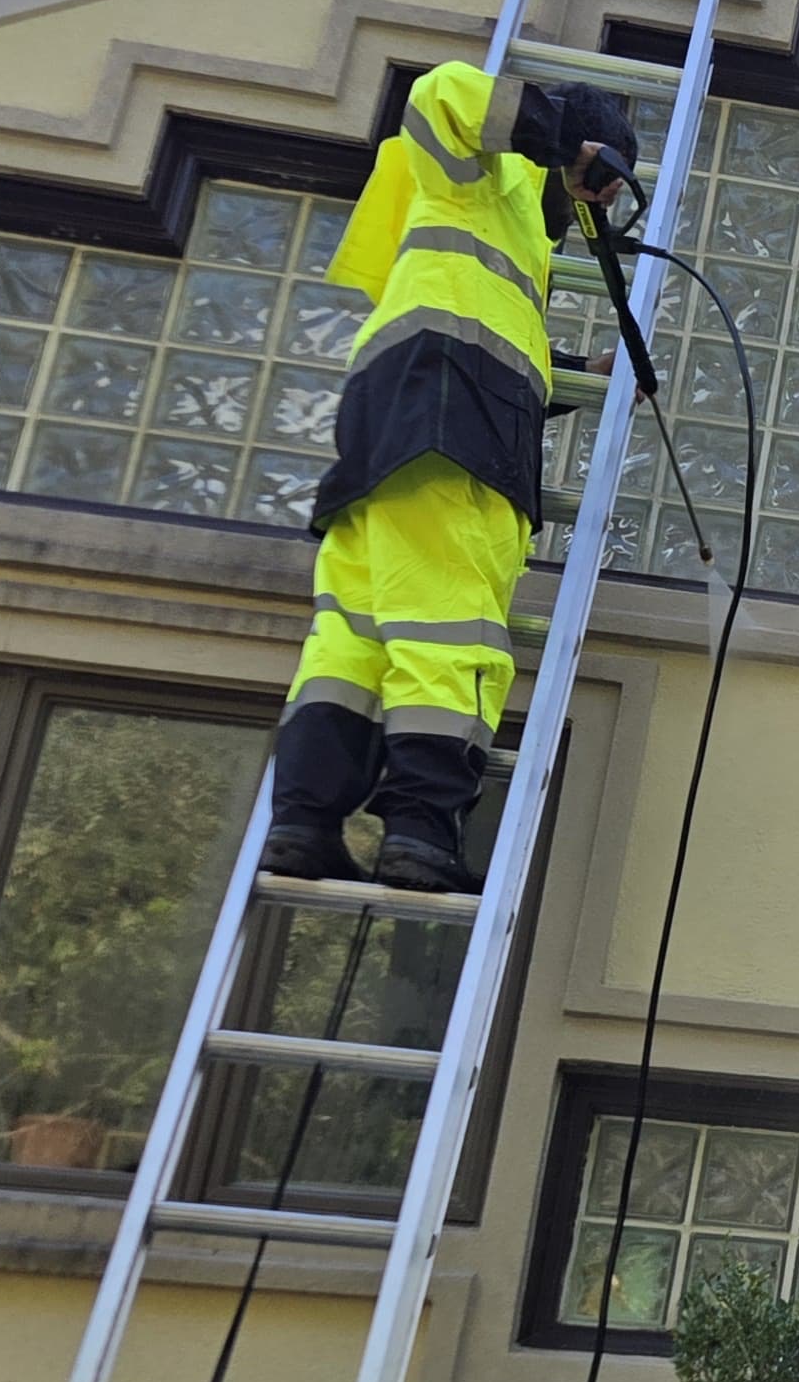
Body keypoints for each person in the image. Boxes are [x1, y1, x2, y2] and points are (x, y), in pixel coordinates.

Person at [260, 64, 636, 890]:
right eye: (596, 188)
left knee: (353, 637)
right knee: (452, 630)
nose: (590, 209)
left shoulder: (483, 223)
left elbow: (487, 330)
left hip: (386, 426)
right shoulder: (487, 174)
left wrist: (581, 373)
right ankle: (421, 832)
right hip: (454, 436)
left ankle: (302, 824)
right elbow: (443, 90)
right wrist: (566, 138)